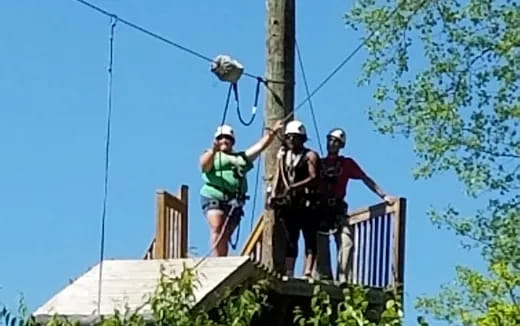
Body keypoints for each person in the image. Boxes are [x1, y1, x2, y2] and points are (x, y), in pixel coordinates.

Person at [316, 128, 396, 284]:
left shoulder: (346, 164)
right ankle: (325, 278)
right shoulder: (318, 164)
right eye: (330, 140)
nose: (332, 143)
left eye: (336, 141)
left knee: (347, 242)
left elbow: (365, 179)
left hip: (338, 209)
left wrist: (384, 195)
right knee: (321, 244)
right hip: (321, 210)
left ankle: (343, 277)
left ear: (341, 145)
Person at [200, 121, 283, 256]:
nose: (224, 140)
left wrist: (273, 132)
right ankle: (218, 260)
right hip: (214, 197)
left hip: (234, 202)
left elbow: (259, 147)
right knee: (217, 226)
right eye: (221, 138)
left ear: (232, 142)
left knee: (225, 232)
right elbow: (204, 165)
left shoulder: (240, 158)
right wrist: (213, 151)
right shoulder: (211, 155)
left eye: (228, 138)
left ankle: (221, 257)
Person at [269, 120, 320, 278]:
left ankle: (308, 271)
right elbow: (279, 175)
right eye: (289, 137)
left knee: (309, 237)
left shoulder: (310, 155)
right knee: (291, 237)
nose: (292, 140)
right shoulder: (284, 156)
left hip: (307, 202)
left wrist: (295, 187)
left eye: (295, 137)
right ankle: (289, 271)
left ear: (302, 139)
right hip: (289, 203)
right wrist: (273, 195)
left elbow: (314, 177)